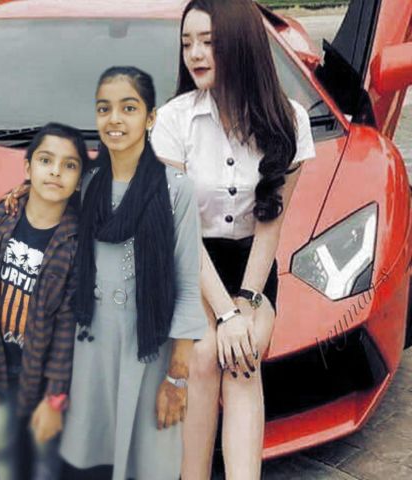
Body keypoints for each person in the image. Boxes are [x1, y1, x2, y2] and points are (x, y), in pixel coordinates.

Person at [151, 1, 316, 478]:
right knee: (203, 354)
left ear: (241, 44)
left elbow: (271, 225)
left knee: (242, 357)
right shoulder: (174, 121)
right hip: (190, 263)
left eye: (208, 42)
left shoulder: (290, 121)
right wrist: (224, 313)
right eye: (187, 43)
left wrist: (244, 305)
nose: (194, 54)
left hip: (250, 268)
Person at [57, 66, 206, 480]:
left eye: (128, 108)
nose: (115, 119)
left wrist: (177, 378)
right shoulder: (87, 183)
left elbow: (187, 287)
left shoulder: (176, 188)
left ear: (151, 117)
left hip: (148, 350)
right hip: (91, 346)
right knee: (89, 458)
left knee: (149, 461)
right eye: (104, 109)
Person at [0, 122, 89, 480]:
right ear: (28, 168)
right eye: (46, 160)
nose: (56, 171)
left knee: (46, 461)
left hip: (45, 380)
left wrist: (55, 398)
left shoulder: (77, 244)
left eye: (69, 165)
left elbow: (67, 328)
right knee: (4, 452)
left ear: (79, 180)